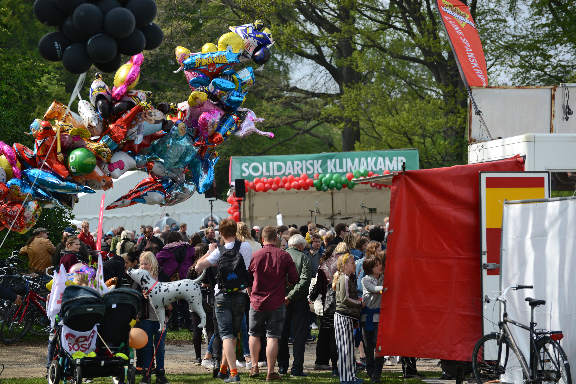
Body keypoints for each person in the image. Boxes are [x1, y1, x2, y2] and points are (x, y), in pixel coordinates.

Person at [195, 218, 252, 383]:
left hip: (222, 295)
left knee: (226, 335)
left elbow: (199, 266)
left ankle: (233, 374)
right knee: (233, 334)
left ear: (221, 233)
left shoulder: (219, 250)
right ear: (235, 231)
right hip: (240, 294)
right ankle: (222, 370)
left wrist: (209, 251)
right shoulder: (246, 247)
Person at [247, 226, 299, 380]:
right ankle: (270, 371)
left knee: (254, 334)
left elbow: (248, 279)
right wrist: (284, 284)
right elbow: (294, 278)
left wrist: (251, 294)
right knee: (272, 336)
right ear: (276, 238)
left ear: (262, 239)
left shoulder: (255, 256)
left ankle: (255, 366)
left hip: (256, 301)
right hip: (277, 301)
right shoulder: (284, 256)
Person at [278, 234, 312, 377]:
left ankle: (282, 366)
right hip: (298, 301)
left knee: (282, 335)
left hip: (281, 300)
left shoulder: (280, 256)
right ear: (301, 246)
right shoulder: (304, 258)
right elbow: (305, 281)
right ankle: (297, 368)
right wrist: (291, 296)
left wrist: (286, 296)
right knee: (299, 337)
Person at [134, 251, 169, 384]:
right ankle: (146, 374)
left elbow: (171, 293)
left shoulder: (162, 276)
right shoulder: (138, 278)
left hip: (161, 318)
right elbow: (133, 293)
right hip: (145, 318)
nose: (143, 266)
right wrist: (140, 295)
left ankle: (160, 373)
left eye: (146, 263)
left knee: (160, 347)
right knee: (147, 347)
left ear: (152, 263)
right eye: (141, 263)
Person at [333, 252, 362, 384]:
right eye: (351, 262)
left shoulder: (348, 278)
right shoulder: (343, 278)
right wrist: (359, 303)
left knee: (349, 348)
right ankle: (345, 378)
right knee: (345, 349)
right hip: (342, 316)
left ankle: (350, 376)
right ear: (344, 265)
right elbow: (344, 299)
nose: (354, 264)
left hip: (347, 317)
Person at [309, 245, 338, 375]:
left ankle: (322, 361)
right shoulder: (328, 268)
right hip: (329, 305)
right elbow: (319, 287)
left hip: (326, 305)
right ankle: (327, 363)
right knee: (329, 335)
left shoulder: (324, 267)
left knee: (325, 334)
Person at [361, 257, 386, 383]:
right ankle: (370, 372)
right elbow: (374, 289)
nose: (380, 267)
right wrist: (385, 288)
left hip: (380, 318)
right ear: (370, 268)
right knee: (368, 348)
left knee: (379, 347)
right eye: (377, 265)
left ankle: (377, 374)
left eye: (380, 264)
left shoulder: (384, 278)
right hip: (367, 319)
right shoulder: (365, 280)